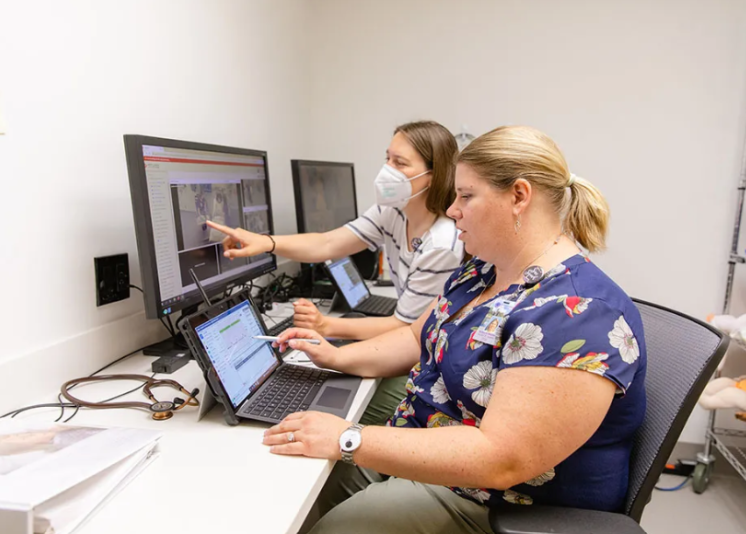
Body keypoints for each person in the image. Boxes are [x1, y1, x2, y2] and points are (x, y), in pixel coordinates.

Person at [262, 126, 647, 534]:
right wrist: (335, 356)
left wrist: (349, 438)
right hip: (432, 451)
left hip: (499, 501)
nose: (451, 210)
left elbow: (502, 458)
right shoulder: (483, 271)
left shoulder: (577, 313)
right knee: (294, 494)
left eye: (466, 196)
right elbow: (416, 336)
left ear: (519, 196)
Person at [206, 120, 464, 342]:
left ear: (433, 175)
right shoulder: (393, 211)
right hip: (410, 341)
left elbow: (404, 328)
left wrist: (326, 326)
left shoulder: (441, 243)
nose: (387, 170)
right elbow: (328, 244)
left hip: (429, 355)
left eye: (400, 163)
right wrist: (266, 243)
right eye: (387, 159)